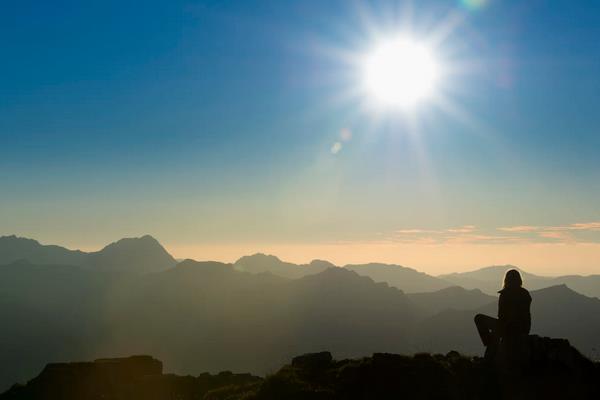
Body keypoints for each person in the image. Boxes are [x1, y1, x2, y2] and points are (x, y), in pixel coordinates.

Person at [474, 269, 532, 360]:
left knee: (479, 318)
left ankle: (489, 344)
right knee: (495, 331)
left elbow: (502, 315)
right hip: (521, 329)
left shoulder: (505, 294)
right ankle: (492, 344)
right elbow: (526, 316)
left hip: (509, 327)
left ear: (506, 280)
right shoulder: (525, 294)